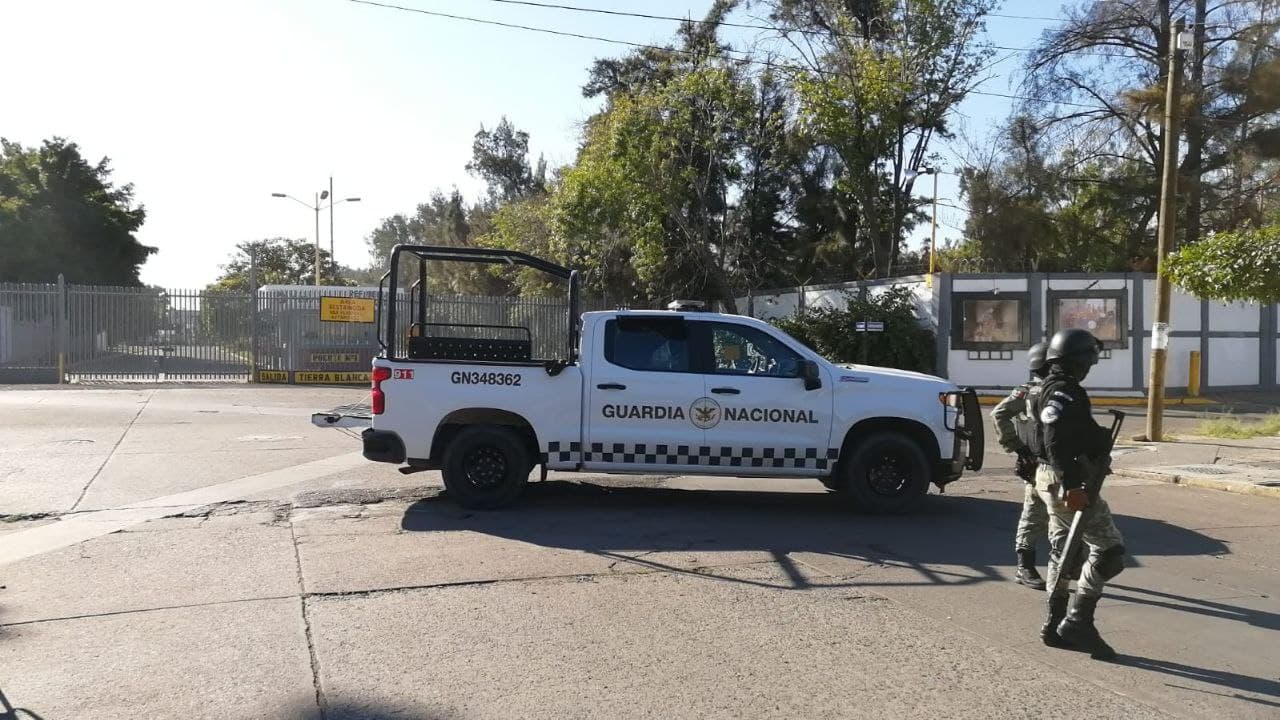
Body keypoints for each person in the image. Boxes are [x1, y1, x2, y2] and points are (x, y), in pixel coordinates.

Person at [1032, 328, 1125, 660]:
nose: (1091, 365)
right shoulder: (1063, 392)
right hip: (1065, 481)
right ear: (1078, 360)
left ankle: (1055, 624)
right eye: (1089, 358)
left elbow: (1073, 434)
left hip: (1055, 478)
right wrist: (1072, 484)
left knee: (1064, 553)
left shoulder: (1053, 387)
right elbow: (1056, 442)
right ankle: (1077, 620)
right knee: (1110, 551)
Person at [990, 342, 1050, 590]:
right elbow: (998, 414)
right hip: (1037, 461)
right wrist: (1018, 447)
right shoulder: (1027, 393)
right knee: (1034, 513)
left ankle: (1071, 562)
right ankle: (1025, 566)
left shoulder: (1059, 390)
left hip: (1059, 462)